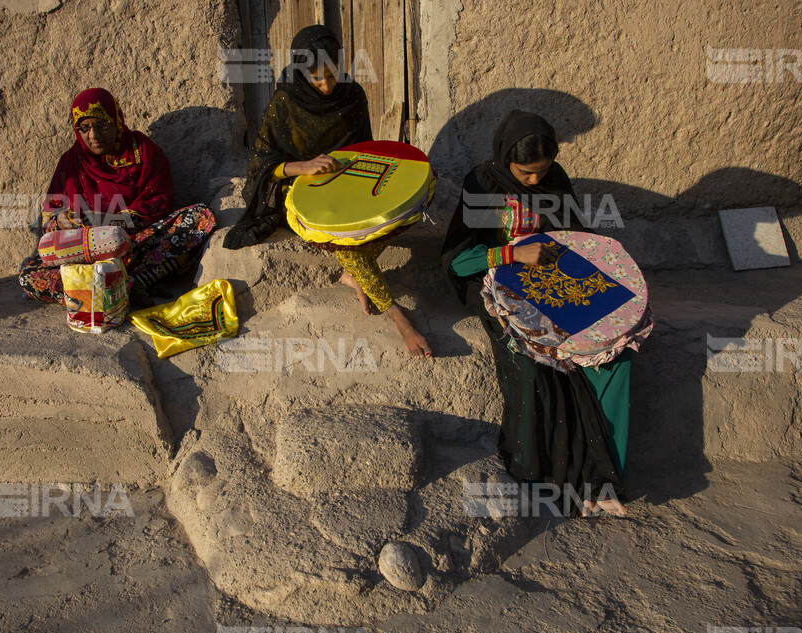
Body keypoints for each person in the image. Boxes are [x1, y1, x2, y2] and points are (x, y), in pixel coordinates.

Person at [441, 110, 629, 516]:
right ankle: (536, 476)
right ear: (506, 157)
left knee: (612, 352)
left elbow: (575, 234)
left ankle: (600, 479)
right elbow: (458, 261)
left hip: (553, 282)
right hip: (499, 287)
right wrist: (513, 252)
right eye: (526, 173)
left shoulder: (555, 179)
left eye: (542, 171)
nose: (535, 181)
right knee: (532, 366)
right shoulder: (484, 184)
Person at [223, 25, 431, 358]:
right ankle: (397, 316)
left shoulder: (353, 94)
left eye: (331, 76)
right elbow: (261, 163)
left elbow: (365, 152)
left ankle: (353, 277)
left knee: (399, 214)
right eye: (316, 79)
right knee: (345, 246)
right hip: (298, 187)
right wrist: (302, 166)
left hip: (346, 184)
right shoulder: (285, 101)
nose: (325, 85)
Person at [18, 88, 217, 307]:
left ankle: (118, 287)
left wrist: (112, 220)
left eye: (101, 125)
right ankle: (122, 289)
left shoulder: (143, 152)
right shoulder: (71, 162)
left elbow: (159, 202)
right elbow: (50, 217)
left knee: (200, 217)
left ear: (116, 120)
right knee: (29, 275)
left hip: (134, 247)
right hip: (86, 255)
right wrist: (61, 221)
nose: (93, 136)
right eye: (84, 128)